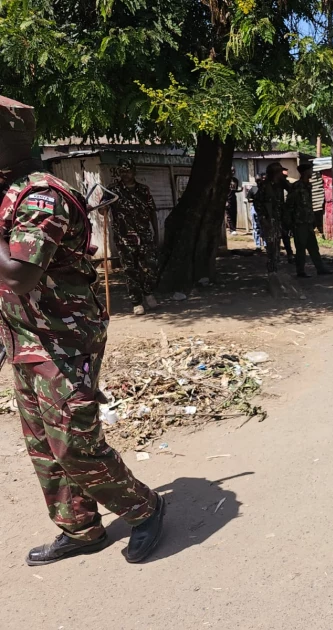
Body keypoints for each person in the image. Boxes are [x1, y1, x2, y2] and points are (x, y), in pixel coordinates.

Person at [0, 96, 164, 566]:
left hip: (63, 340)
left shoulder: (41, 195)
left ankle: (145, 508)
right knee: (43, 444)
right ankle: (81, 528)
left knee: (74, 442)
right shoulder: (8, 190)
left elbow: (18, 274)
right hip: (26, 338)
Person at [110, 159, 160, 316]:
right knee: (130, 270)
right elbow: (101, 210)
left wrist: (156, 233)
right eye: (122, 171)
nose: (125, 174)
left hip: (145, 235)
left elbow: (152, 212)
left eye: (128, 171)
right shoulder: (113, 190)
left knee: (150, 266)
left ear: (134, 172)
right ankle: (137, 302)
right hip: (124, 237)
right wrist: (103, 207)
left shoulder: (144, 190)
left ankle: (148, 293)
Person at [286, 162, 330, 278]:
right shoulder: (297, 186)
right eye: (310, 170)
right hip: (299, 222)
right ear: (305, 172)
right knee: (300, 247)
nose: (311, 172)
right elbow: (290, 204)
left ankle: (320, 269)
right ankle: (300, 271)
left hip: (308, 221)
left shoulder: (308, 186)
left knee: (313, 246)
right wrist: (290, 221)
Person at [254, 163, 291, 272]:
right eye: (279, 172)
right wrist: (263, 218)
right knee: (272, 246)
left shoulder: (280, 185)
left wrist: (285, 182)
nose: (281, 174)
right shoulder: (265, 186)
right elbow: (257, 203)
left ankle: (275, 268)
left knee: (278, 244)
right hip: (269, 220)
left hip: (279, 219)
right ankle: (272, 270)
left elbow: (291, 190)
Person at [246, 176, 264, 251]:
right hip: (255, 209)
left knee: (264, 227)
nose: (259, 182)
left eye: (260, 181)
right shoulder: (253, 189)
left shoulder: (265, 189)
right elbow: (248, 198)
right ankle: (258, 245)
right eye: (258, 181)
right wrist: (255, 199)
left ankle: (266, 244)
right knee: (256, 227)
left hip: (264, 210)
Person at [225, 167, 242, 235]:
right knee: (229, 215)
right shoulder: (225, 179)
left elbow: (234, 190)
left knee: (234, 214)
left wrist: (240, 190)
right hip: (227, 199)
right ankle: (231, 229)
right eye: (231, 171)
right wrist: (226, 201)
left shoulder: (235, 180)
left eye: (233, 171)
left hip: (233, 198)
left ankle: (234, 229)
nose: (233, 172)